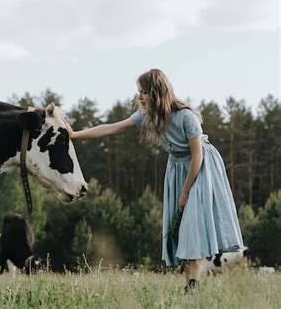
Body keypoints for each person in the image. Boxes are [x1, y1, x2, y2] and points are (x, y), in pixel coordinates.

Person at [66, 69, 245, 291]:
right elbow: (111, 128)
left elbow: (197, 155)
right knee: (180, 228)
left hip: (200, 168)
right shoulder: (147, 116)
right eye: (139, 92)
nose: (139, 97)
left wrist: (186, 192)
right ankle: (191, 283)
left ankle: (193, 285)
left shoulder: (186, 116)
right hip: (177, 167)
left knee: (192, 224)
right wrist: (74, 135)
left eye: (145, 92)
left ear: (158, 93)